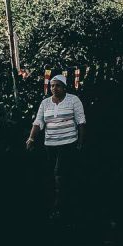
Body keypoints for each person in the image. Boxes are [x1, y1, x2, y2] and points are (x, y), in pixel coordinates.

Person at [26, 74, 86, 219]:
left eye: (58, 85)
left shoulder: (73, 100)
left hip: (68, 143)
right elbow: (38, 121)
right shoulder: (45, 103)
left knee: (59, 172)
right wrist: (31, 138)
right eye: (52, 85)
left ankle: (59, 206)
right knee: (55, 173)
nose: (54, 88)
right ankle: (62, 194)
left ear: (64, 87)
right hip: (50, 144)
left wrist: (80, 142)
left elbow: (81, 121)